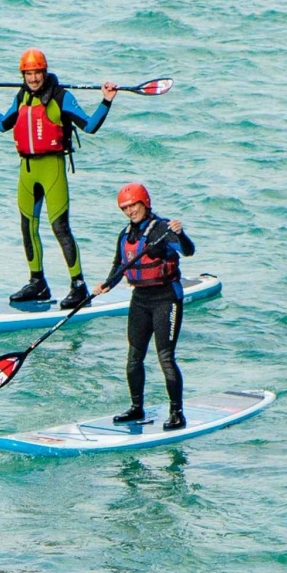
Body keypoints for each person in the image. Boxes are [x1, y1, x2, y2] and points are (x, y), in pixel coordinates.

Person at [0, 49, 119, 309]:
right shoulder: (21, 97)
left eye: (37, 73)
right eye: (28, 74)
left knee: (59, 228)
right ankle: (37, 283)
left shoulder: (61, 97)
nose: (33, 79)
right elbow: (2, 123)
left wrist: (106, 100)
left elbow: (89, 126)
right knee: (27, 226)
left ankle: (78, 285)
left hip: (52, 168)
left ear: (44, 72)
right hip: (27, 171)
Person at [94, 182, 195, 431]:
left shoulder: (162, 228)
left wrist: (181, 234)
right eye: (125, 208)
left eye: (133, 206)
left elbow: (189, 251)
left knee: (165, 358)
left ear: (144, 203)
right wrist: (106, 284)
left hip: (166, 299)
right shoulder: (125, 235)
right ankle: (136, 407)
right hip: (139, 300)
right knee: (133, 357)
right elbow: (120, 266)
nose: (130, 212)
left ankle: (176, 413)